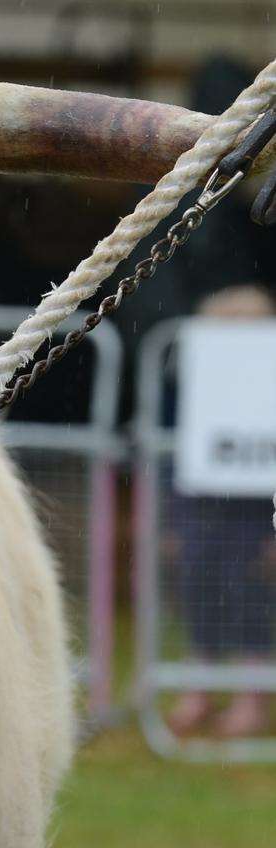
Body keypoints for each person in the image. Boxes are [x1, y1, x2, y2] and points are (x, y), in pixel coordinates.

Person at [166, 285, 275, 738]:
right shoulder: (200, 382)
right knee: (200, 589)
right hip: (204, 504)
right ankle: (200, 688)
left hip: (259, 510)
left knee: (254, 598)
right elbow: (177, 446)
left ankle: (253, 699)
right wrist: (172, 520)